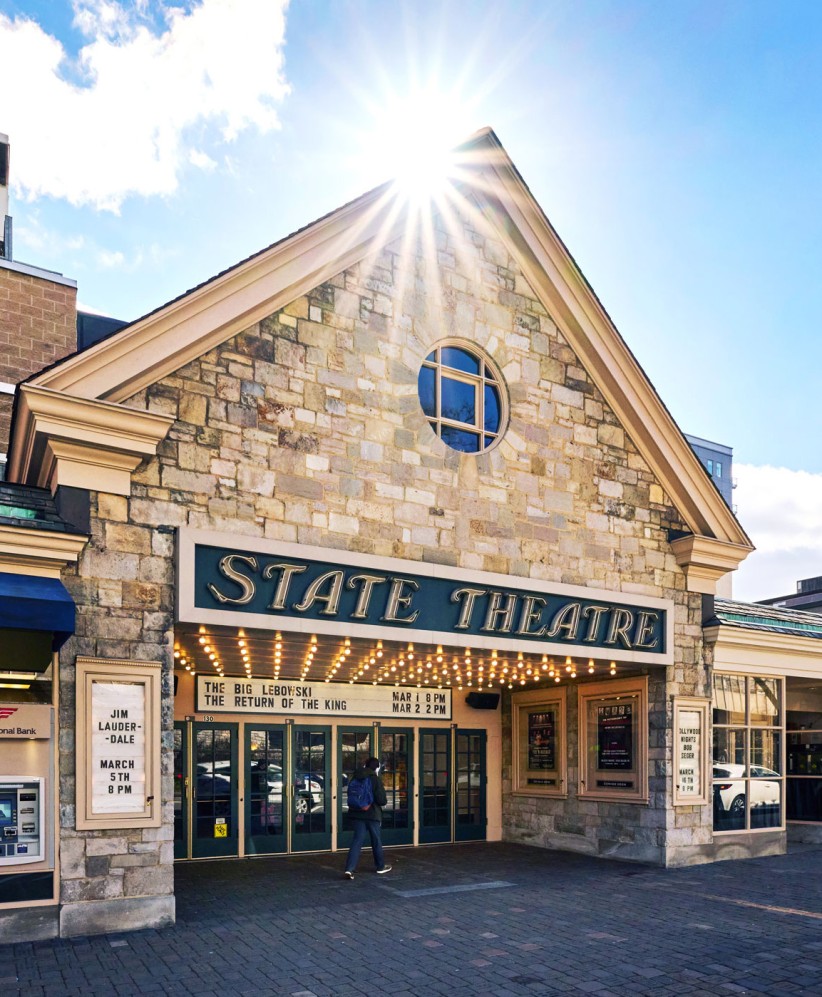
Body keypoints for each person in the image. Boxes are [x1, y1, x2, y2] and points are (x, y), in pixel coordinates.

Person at [343, 756, 392, 879]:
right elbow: (381, 800)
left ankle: (349, 869)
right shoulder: (374, 779)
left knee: (357, 841)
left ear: (365, 765)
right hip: (372, 814)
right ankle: (380, 866)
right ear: (377, 767)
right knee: (376, 841)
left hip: (357, 813)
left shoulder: (356, 776)